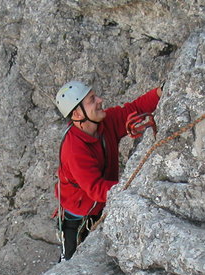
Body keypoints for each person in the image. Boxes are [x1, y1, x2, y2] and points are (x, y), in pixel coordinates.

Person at [54, 80, 162, 260]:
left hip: (102, 205)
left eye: (95, 96)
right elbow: (96, 189)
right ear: (77, 113)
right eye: (91, 99)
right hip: (79, 215)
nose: (100, 100)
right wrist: (132, 188)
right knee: (71, 263)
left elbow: (134, 108)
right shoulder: (74, 148)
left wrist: (160, 92)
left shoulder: (105, 123)